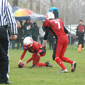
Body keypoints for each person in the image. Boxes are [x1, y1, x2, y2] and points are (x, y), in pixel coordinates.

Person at [0, 0, 18, 84]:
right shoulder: (4, 3)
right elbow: (11, 18)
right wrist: (14, 32)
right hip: (2, 30)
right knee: (4, 54)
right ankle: (3, 78)